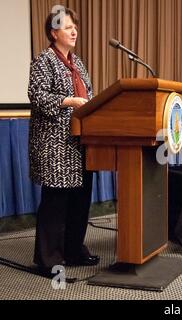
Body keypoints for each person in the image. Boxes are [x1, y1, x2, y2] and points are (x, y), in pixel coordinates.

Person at [28, 8, 99, 277]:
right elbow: (37, 96)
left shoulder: (78, 63)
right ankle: (49, 259)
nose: (74, 31)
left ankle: (72, 250)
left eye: (75, 27)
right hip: (55, 145)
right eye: (67, 27)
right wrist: (69, 101)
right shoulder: (43, 61)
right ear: (53, 32)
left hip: (81, 142)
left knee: (80, 200)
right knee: (56, 203)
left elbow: (90, 96)